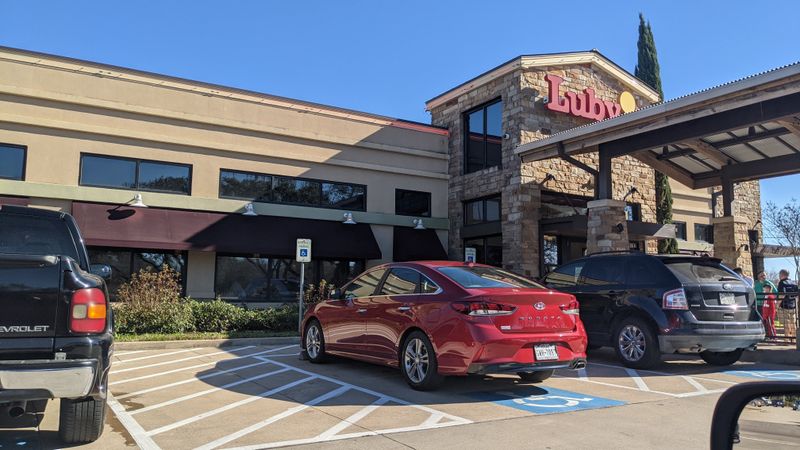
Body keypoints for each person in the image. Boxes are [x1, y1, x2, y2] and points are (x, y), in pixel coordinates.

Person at [777, 269, 798, 338]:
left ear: (782, 274)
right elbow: (797, 295)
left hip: (785, 306)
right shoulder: (794, 283)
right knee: (793, 323)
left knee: (786, 323)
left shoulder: (782, 283)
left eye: (779, 274)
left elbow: (782, 295)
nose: (779, 276)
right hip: (793, 305)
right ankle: (794, 338)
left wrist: (777, 305)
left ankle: (787, 339)